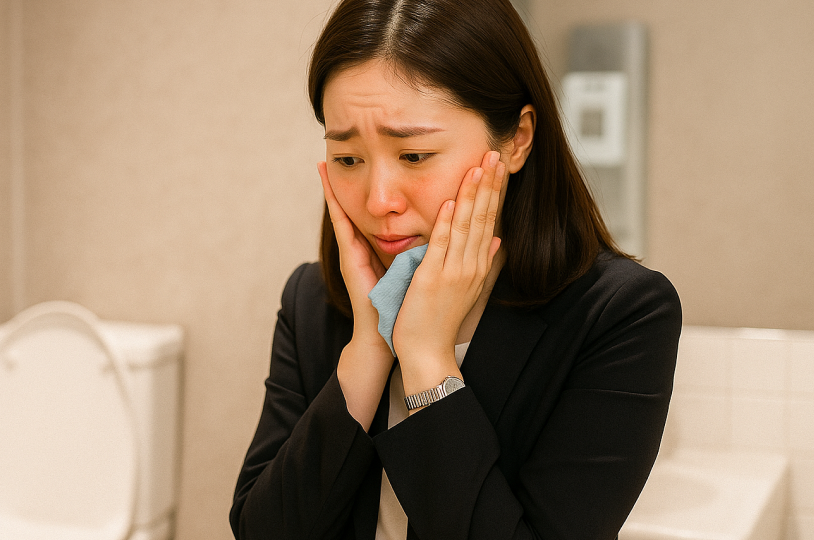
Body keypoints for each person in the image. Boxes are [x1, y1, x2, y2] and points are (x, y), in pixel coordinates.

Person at [230, 0, 682, 538]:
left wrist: (425, 358)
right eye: (348, 160)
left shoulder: (619, 315)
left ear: (516, 139)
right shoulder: (311, 299)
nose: (378, 200)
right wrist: (372, 346)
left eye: (414, 156)